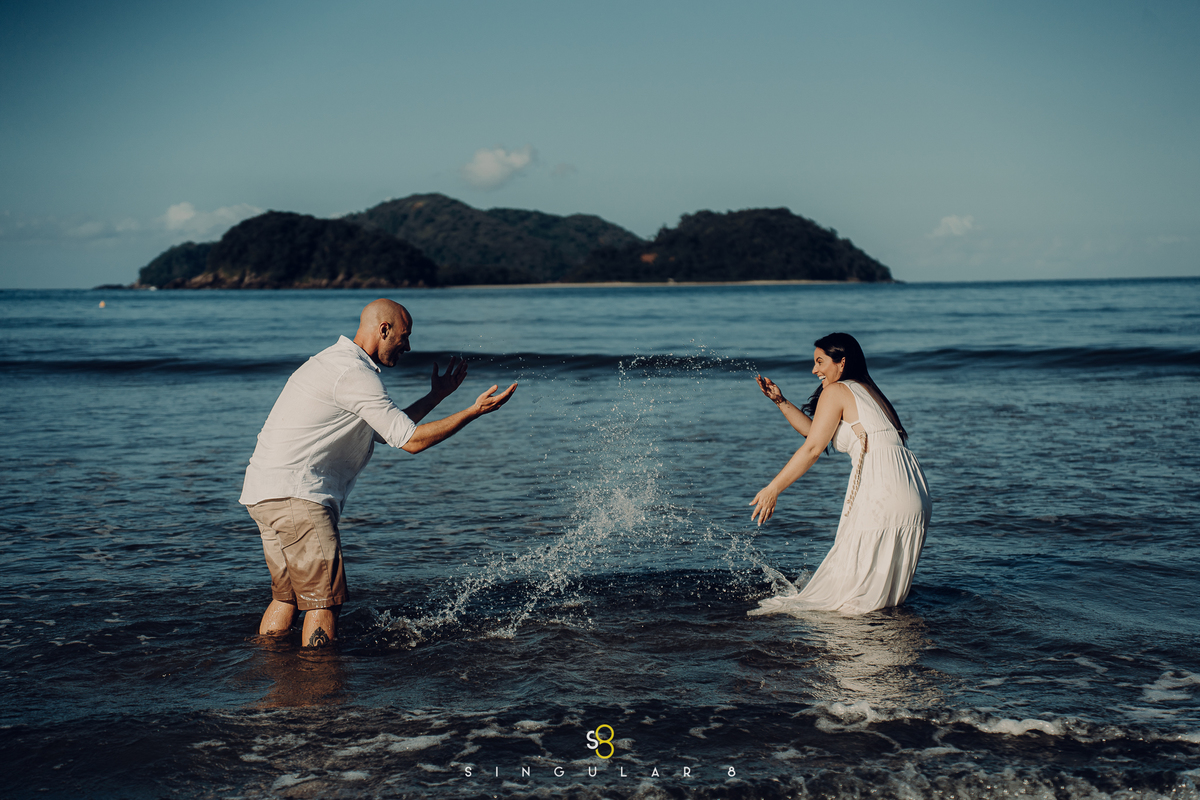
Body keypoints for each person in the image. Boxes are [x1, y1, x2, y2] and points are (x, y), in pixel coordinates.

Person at [239, 298, 517, 647]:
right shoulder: (354, 374)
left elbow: (387, 432)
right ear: (383, 330)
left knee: (289, 597)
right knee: (324, 601)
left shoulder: (332, 364)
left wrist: (437, 396)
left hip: (265, 494)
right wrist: (472, 412)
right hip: (299, 496)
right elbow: (411, 442)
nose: (409, 346)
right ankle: (317, 686)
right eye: (404, 335)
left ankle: (267, 666)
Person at [748, 332, 930, 615]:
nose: (814, 370)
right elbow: (815, 432)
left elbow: (812, 449)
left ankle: (858, 652)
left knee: (847, 598)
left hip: (884, 486)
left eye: (820, 361)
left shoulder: (837, 391)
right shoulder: (867, 391)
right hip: (910, 487)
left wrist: (773, 488)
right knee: (878, 595)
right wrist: (780, 401)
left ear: (841, 362)